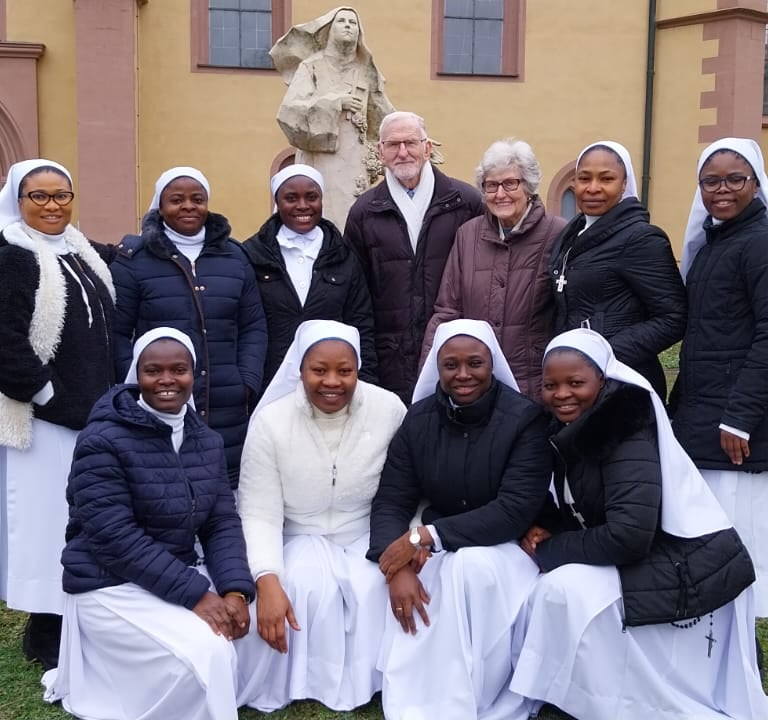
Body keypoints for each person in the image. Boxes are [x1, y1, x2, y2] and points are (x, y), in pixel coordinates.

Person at [512, 328, 765, 720]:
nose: (561, 394)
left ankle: (609, 697)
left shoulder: (626, 431)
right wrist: (548, 526)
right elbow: (577, 501)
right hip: (647, 552)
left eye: (575, 383)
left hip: (685, 564)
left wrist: (551, 550)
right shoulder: (564, 427)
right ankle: (575, 691)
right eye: (550, 385)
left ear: (603, 379)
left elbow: (629, 535)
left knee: (561, 588)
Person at [42, 328, 254, 720]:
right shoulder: (102, 439)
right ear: (136, 375)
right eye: (153, 370)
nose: (167, 380)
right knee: (207, 648)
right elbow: (113, 538)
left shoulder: (205, 441)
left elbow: (221, 522)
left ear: (195, 374)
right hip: (108, 583)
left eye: (179, 370)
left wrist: (235, 590)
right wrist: (197, 595)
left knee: (243, 626)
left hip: (174, 574)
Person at [367, 319, 552, 720]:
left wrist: (427, 536)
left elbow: (515, 508)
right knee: (424, 575)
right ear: (437, 367)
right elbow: (391, 499)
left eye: (475, 363)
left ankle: (477, 694)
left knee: (469, 569)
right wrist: (393, 565)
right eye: (451, 365)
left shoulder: (524, 420)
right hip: (438, 542)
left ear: (492, 364)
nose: (463, 374)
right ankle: (427, 696)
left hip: (504, 547)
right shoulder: (418, 420)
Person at [235, 320, 406, 712]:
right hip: (300, 534)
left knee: (371, 587)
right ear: (299, 370)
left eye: (344, 371)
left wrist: (402, 549)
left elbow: (406, 488)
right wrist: (266, 578)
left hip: (368, 529)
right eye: (319, 370)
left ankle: (373, 681)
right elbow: (258, 512)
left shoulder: (389, 409)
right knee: (304, 586)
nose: (332, 382)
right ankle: (307, 682)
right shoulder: (271, 421)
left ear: (358, 370)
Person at [0, 159, 115, 670]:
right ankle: (45, 632)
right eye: (39, 196)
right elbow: (6, 343)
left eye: (61, 195)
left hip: (91, 414)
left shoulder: (80, 253)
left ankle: (78, 617)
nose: (52, 206)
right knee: (48, 525)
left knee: (82, 520)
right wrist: (51, 398)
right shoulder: (14, 258)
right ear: (18, 201)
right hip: (45, 420)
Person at [111, 166, 267, 487]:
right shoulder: (135, 260)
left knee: (226, 490)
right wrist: (138, 384)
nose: (188, 206)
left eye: (197, 199)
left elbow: (253, 325)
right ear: (160, 205)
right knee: (165, 488)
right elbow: (117, 332)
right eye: (176, 199)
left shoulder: (234, 257)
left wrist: (246, 380)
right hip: (161, 396)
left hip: (228, 398)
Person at [672, 138, 768, 619]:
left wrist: (741, 416)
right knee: (712, 560)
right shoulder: (715, 244)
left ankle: (747, 678)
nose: (723, 190)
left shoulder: (759, 242)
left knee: (741, 563)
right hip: (703, 419)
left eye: (736, 179)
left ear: (756, 184)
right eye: (712, 181)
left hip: (736, 432)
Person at [344, 111, 484, 404]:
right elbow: (355, 296)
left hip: (456, 352)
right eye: (393, 145)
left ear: (428, 148)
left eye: (411, 142)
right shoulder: (364, 212)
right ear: (380, 152)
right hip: (389, 355)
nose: (403, 152)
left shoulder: (465, 202)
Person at [422, 138, 566, 400]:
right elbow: (447, 310)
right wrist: (429, 372)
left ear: (529, 186)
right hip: (476, 383)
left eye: (510, 183)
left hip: (534, 383)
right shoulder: (468, 234)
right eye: (491, 185)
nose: (500, 194)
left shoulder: (557, 234)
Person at [547, 140, 686, 398]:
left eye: (606, 179)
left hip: (623, 381)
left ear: (624, 184)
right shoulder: (572, 234)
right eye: (584, 178)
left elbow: (674, 317)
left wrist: (603, 354)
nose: (593, 188)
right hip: (576, 381)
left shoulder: (641, 239)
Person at [241, 164, 377, 388]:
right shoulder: (253, 255)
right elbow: (246, 326)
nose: (302, 205)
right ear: (277, 202)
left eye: (311, 197)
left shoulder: (343, 257)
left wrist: (366, 382)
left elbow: (361, 325)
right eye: (291, 198)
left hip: (332, 383)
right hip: (270, 383)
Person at [270, 7, 394, 229]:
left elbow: (383, 113)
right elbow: (290, 112)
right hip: (320, 163)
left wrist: (414, 138)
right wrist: (335, 103)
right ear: (329, 30)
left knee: (356, 222)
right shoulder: (311, 66)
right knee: (325, 217)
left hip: (355, 165)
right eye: (342, 21)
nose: (348, 25)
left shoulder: (365, 71)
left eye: (353, 23)